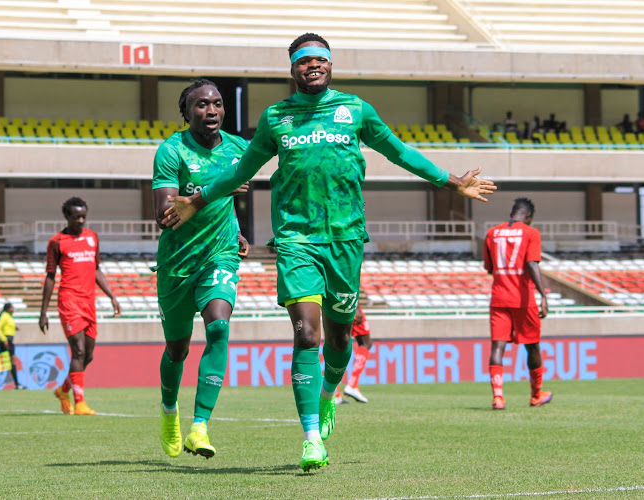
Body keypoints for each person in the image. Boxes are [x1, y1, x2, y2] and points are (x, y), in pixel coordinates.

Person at [163, 33, 496, 471]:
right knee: (307, 335)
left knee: (339, 341)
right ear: (293, 69)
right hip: (297, 241)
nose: (313, 66)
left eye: (320, 59)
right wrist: (198, 200)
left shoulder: (355, 110)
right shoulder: (276, 118)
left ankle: (328, 394)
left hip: (345, 242)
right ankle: (310, 438)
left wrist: (451, 181)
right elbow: (241, 171)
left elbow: (399, 152)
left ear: (330, 65)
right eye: (304, 61)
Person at [153, 79, 250, 460]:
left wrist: (239, 230)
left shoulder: (239, 147)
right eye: (201, 105)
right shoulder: (171, 150)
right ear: (186, 111)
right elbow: (164, 215)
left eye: (217, 104)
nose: (211, 111)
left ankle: (200, 426)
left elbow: (236, 199)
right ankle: (168, 411)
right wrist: (220, 185)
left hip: (219, 255)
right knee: (177, 349)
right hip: (177, 264)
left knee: (219, 326)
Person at [39, 197, 121, 416]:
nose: (81, 220)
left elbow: (95, 270)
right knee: (79, 350)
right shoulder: (57, 241)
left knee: (88, 356)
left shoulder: (92, 238)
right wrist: (43, 312)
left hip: (88, 302)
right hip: (69, 300)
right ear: (67, 216)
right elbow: (50, 277)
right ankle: (80, 403)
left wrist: (111, 296)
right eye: (77, 217)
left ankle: (63, 390)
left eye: (84, 216)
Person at [483, 197, 552, 411]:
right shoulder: (531, 233)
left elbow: (489, 268)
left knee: (497, 346)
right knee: (532, 346)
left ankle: (498, 398)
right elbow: (532, 264)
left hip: (499, 297)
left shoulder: (492, 233)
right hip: (523, 299)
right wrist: (543, 294)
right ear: (528, 216)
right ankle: (536, 395)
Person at [335, 304, 372, 404]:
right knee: (365, 343)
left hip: (332, 304)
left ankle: (335, 393)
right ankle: (352, 385)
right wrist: (356, 306)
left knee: (335, 346)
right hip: (348, 302)